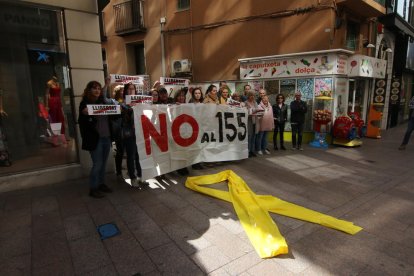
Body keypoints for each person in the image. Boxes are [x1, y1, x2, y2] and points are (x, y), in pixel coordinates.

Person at [78, 81, 114, 198]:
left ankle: (101, 184)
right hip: (96, 139)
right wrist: (85, 114)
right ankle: (93, 188)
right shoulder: (84, 103)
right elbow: (82, 121)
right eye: (94, 88)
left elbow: (112, 111)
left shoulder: (102, 101)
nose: (97, 90)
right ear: (89, 90)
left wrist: (107, 85)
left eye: (98, 88)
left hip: (106, 137)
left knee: (103, 164)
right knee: (97, 164)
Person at [121, 83, 143, 187]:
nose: (131, 91)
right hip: (129, 134)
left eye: (133, 89)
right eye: (129, 89)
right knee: (131, 156)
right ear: (125, 91)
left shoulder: (139, 102)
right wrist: (130, 108)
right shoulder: (122, 104)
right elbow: (124, 120)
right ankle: (133, 178)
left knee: (140, 156)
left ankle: (140, 176)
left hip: (139, 133)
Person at [245, 90, 262, 157]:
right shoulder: (245, 103)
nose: (252, 97)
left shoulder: (255, 102)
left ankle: (252, 150)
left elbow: (257, 110)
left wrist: (260, 113)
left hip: (255, 121)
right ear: (248, 96)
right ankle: (248, 151)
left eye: (253, 95)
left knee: (254, 137)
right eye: (251, 95)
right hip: (249, 121)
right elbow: (245, 112)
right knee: (249, 137)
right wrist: (253, 112)